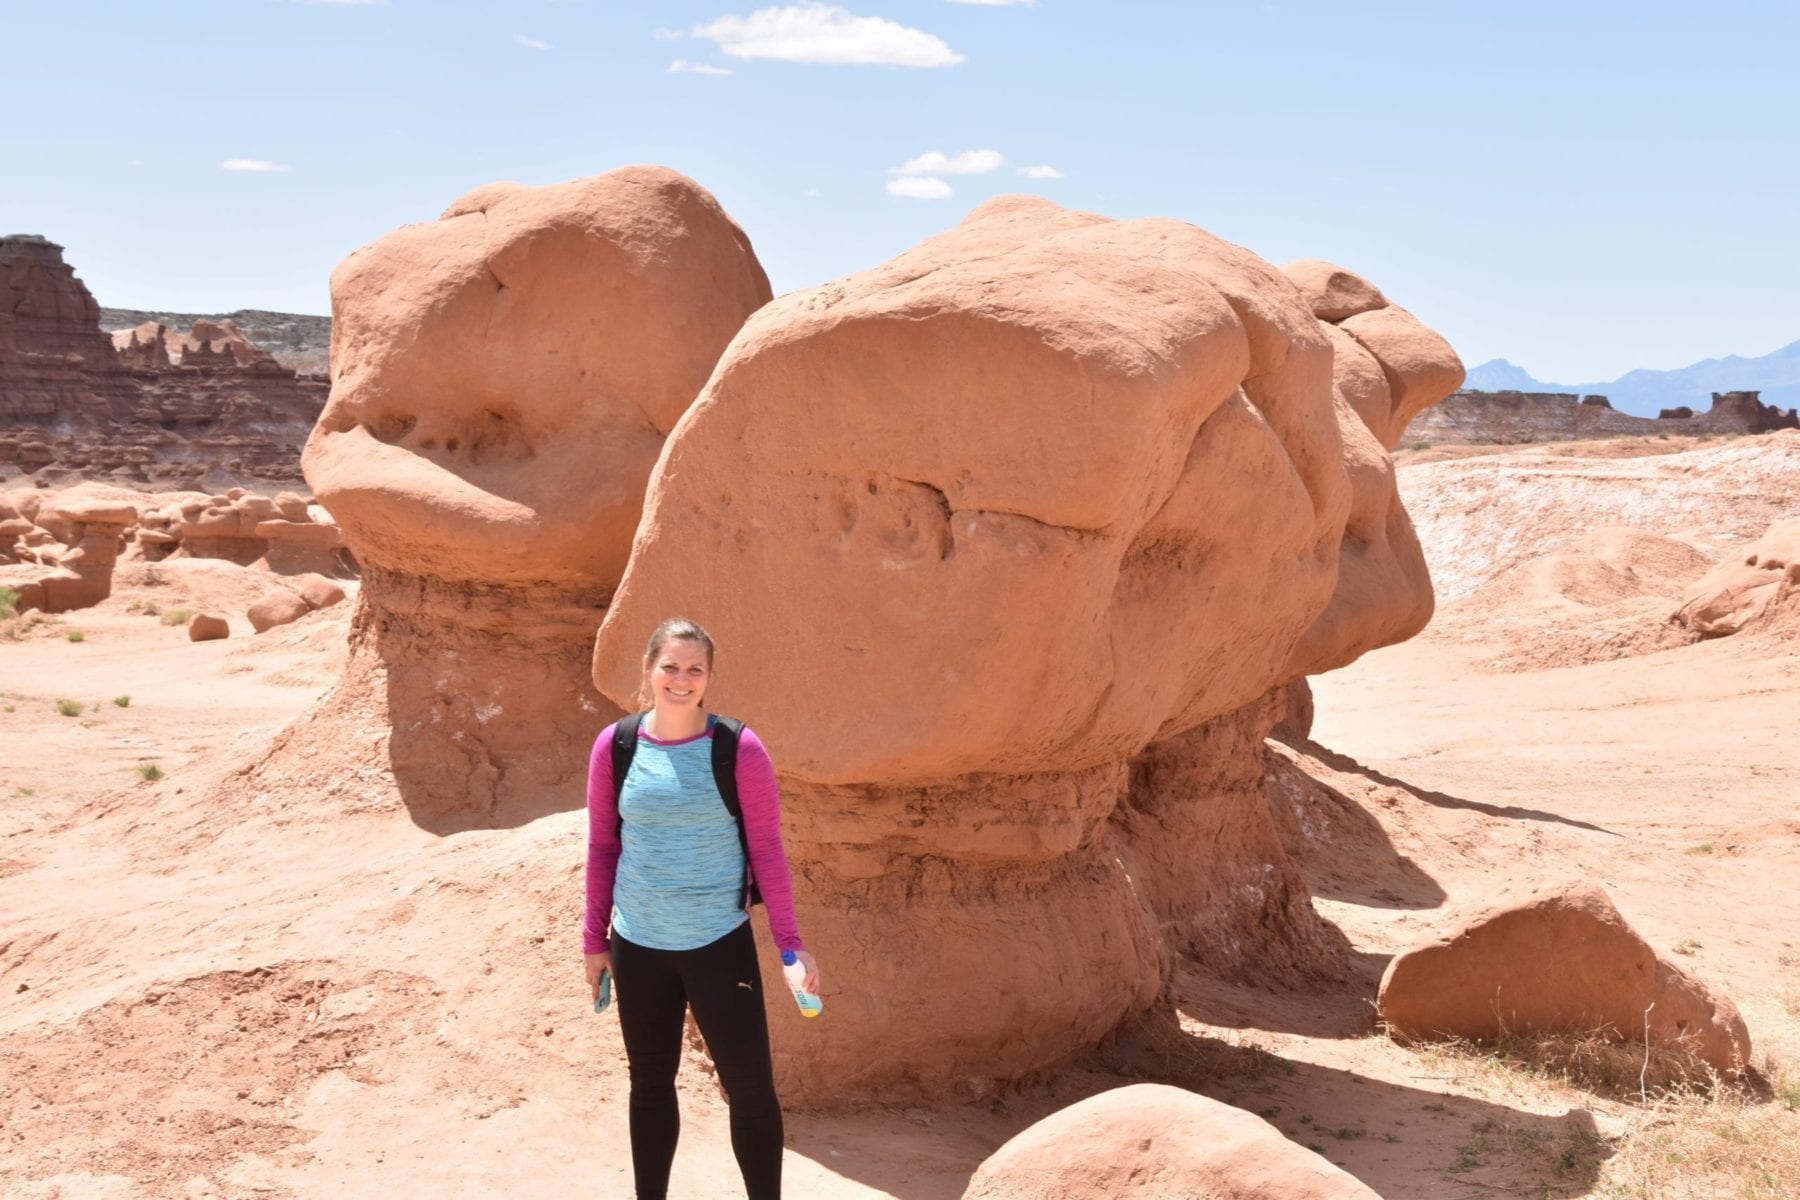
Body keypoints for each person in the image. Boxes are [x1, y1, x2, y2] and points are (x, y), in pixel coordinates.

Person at [583, 617, 819, 1200]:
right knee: (651, 1086)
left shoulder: (737, 748)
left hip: (718, 943)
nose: (681, 680)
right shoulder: (616, 746)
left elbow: (766, 848)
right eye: (670, 666)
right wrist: (595, 940)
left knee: (751, 1089)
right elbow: (603, 845)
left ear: (709, 677)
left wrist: (790, 943)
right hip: (638, 945)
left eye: (694, 669)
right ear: (648, 670)